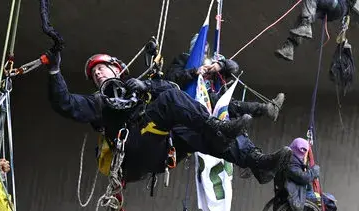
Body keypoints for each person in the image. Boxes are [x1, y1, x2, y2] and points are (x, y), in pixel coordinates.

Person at [46, 51, 292, 190]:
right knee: (175, 101)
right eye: (94, 73)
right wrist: (55, 71)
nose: (97, 73)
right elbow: (65, 103)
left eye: (101, 68)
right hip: (134, 150)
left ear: (118, 69)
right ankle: (217, 128)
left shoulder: (137, 88)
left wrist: (146, 85)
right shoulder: (99, 102)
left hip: (160, 146)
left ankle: (257, 163)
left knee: (198, 133)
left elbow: (168, 86)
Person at [165, 34, 285, 122]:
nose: (204, 55)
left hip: (210, 103)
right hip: (191, 99)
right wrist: (194, 72)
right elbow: (171, 78)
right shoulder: (183, 60)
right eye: (202, 52)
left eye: (206, 52)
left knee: (230, 104)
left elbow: (234, 67)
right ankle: (264, 109)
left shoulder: (210, 63)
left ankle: (266, 109)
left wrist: (220, 65)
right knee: (224, 104)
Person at [273, 137, 349, 211]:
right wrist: (314, 171)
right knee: (329, 201)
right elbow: (303, 177)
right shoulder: (291, 164)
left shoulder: (288, 159)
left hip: (294, 193)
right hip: (298, 196)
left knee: (319, 205)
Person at [275, 0, 357, 61]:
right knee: (304, 14)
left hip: (338, 4)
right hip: (335, 10)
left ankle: (306, 25)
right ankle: (290, 47)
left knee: (306, 16)